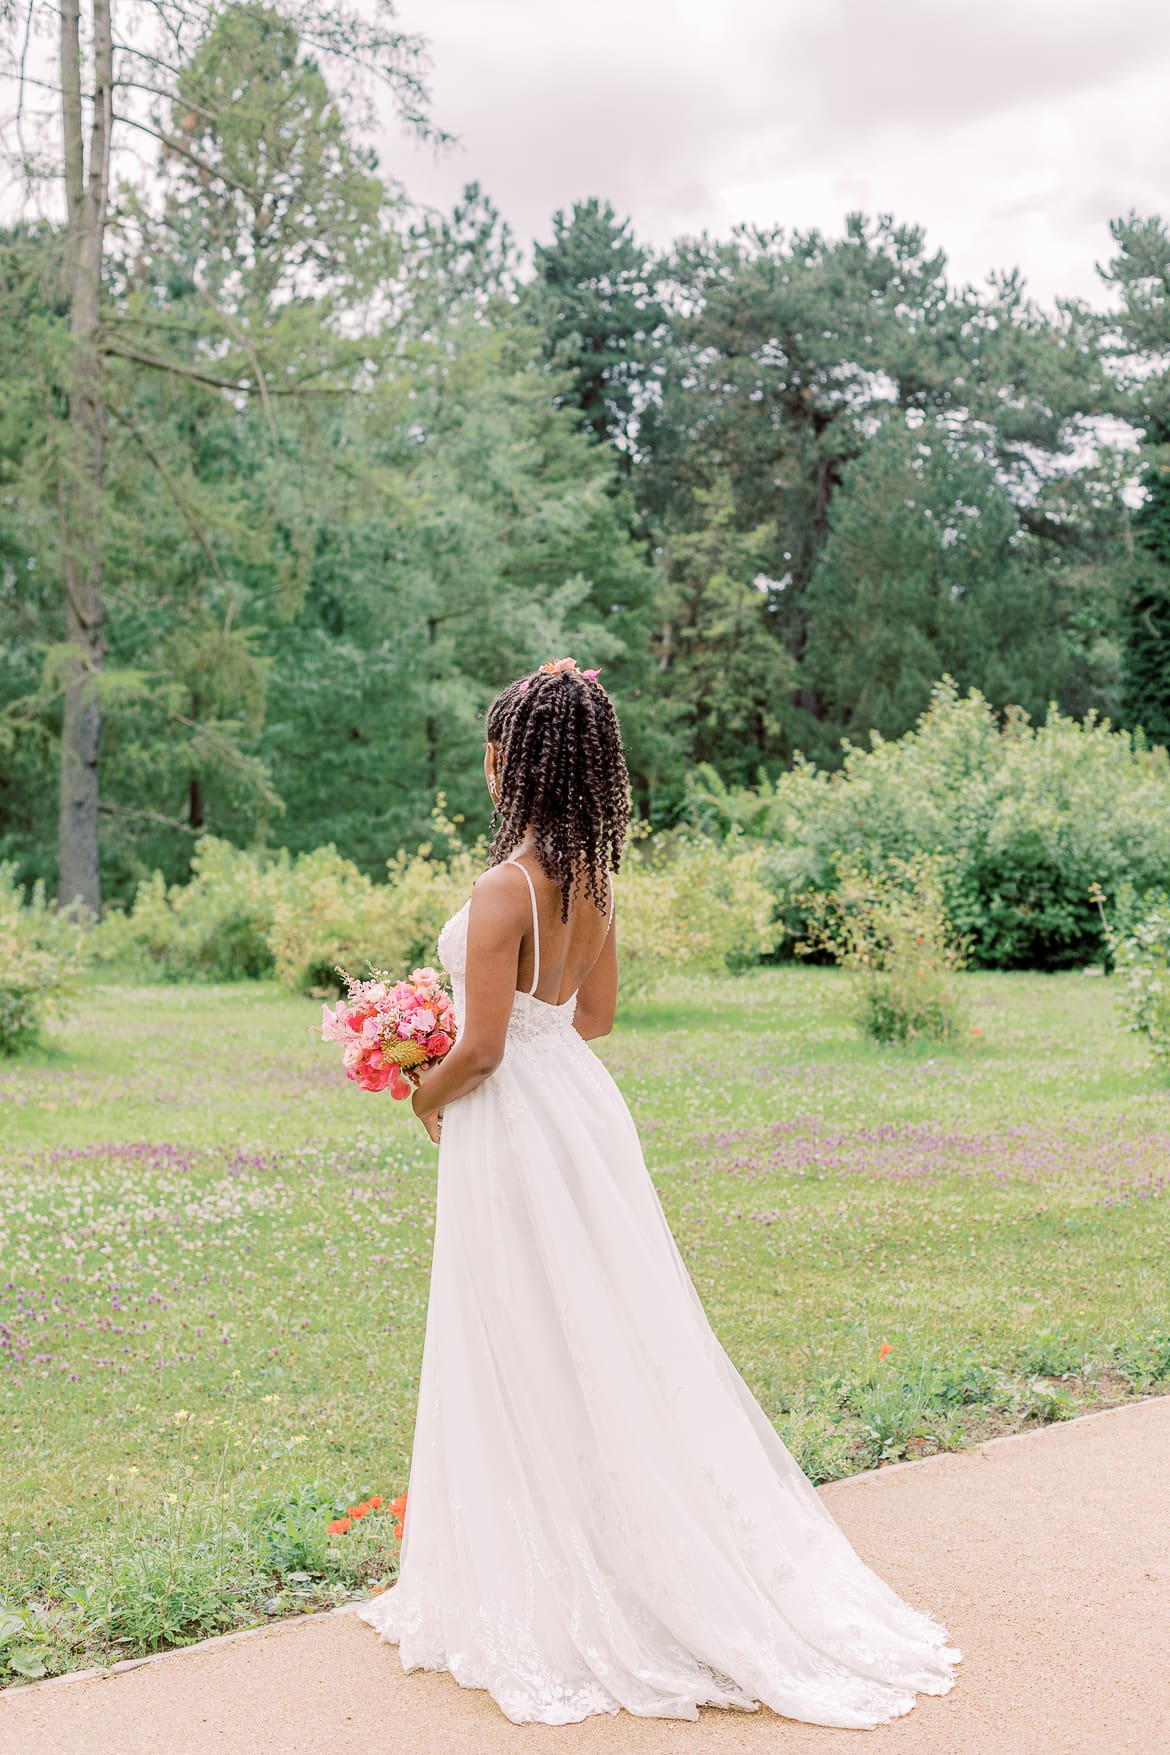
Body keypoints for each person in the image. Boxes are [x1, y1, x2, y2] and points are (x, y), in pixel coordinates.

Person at [356, 657, 960, 1727]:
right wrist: (473, 1052)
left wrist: (420, 1088)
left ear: (515, 761)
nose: (489, 766)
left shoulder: (506, 887)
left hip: (512, 1127)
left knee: (521, 1329)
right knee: (595, 1324)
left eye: (495, 750)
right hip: (578, 1115)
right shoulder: (592, 882)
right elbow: (591, 1019)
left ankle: (559, 1577)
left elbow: (488, 1049)